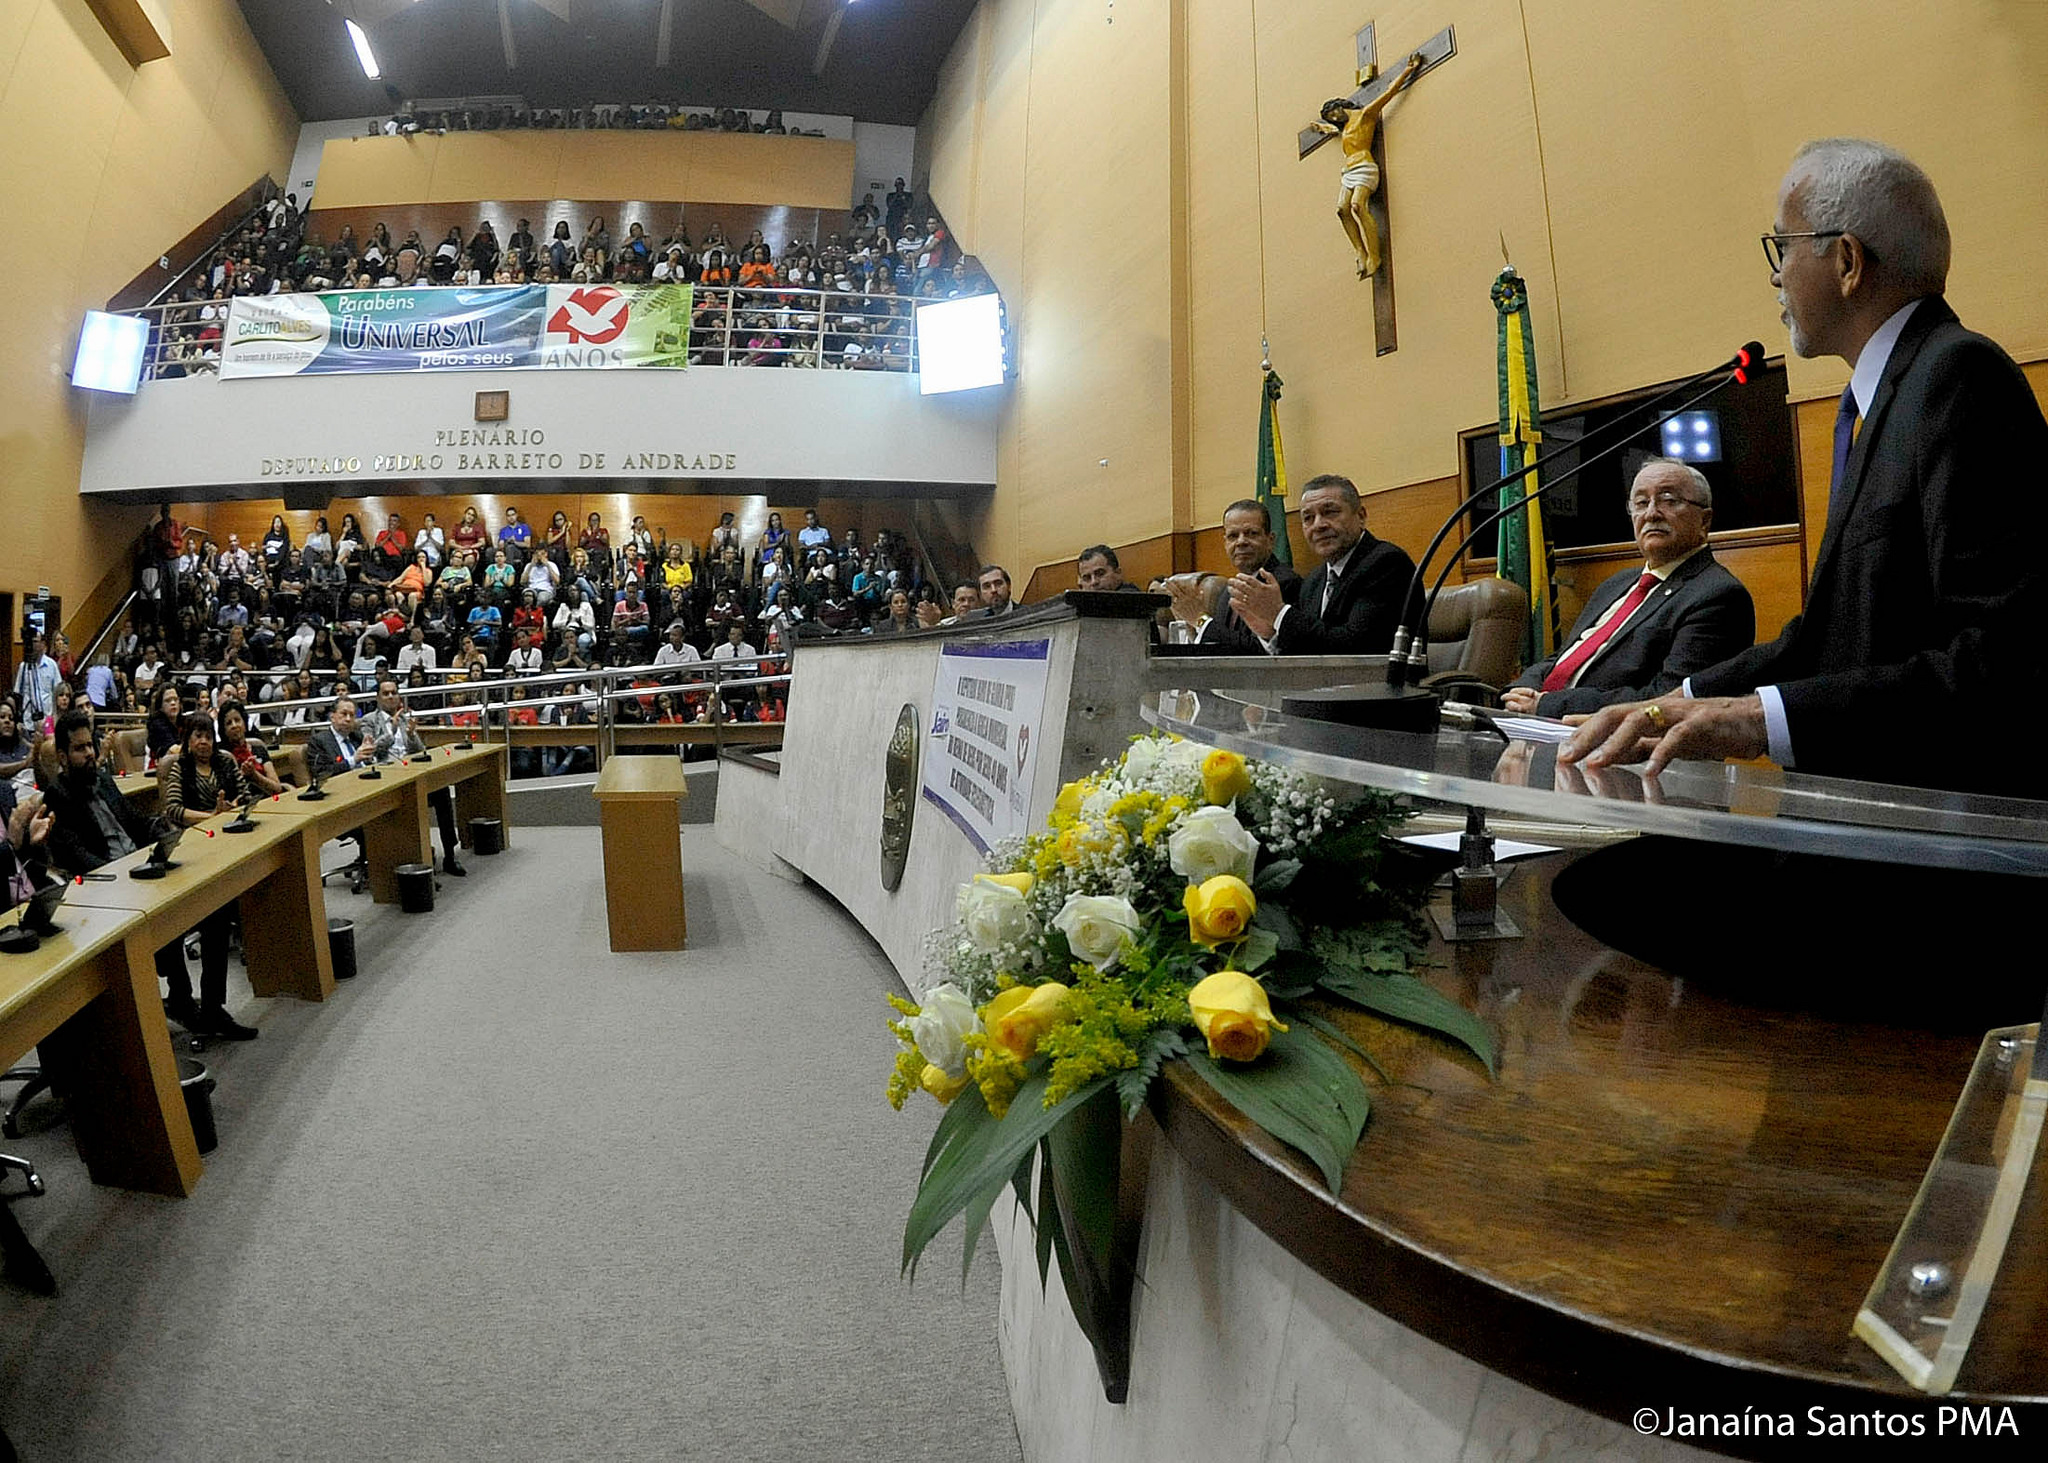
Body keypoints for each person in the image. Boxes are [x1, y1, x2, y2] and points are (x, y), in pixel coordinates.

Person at [1566, 139, 2048, 794]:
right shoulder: (1885, 398)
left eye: (1783, 247)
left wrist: (1758, 721)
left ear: (1847, 261)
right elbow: (1824, 636)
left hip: (1939, 819)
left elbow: (2007, 657)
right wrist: (1674, 702)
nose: (1776, 276)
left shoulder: (1959, 377)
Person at [42, 711, 254, 1038]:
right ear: (62, 756)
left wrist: (163, 833)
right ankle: (181, 998)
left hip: (142, 872)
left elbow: (135, 821)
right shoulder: (57, 795)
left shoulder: (103, 780)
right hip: (109, 891)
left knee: (216, 907)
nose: (89, 754)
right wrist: (123, 872)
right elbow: (76, 856)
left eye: (90, 746)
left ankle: (212, 1008)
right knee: (168, 915)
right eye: (79, 749)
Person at [1502, 461, 1754, 716]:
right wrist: (1521, 690)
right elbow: (1565, 656)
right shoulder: (1617, 584)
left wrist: (1547, 704)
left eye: (1668, 500)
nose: (1651, 514)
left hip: (1604, 733)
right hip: (1537, 719)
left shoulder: (1718, 595)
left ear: (1704, 520)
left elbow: (1670, 698)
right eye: (1641, 503)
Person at [1227, 474, 1416, 654]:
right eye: (1308, 518)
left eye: (1330, 512)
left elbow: (1355, 648)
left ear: (1360, 516)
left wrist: (1279, 613)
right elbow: (1309, 648)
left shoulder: (1387, 563)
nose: (1318, 525)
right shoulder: (1314, 581)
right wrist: (1271, 635)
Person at [1312, 52, 1424, 279]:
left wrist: (1408, 70)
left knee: (1357, 206)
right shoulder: (1343, 128)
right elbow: (1335, 132)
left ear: (1341, 106)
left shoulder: (1365, 115)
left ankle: (1374, 256)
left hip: (1365, 166)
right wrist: (1322, 128)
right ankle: (1360, 252)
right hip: (1348, 171)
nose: (1334, 117)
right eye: (1331, 117)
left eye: (1334, 113)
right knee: (1341, 209)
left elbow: (1389, 93)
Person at [360, 679, 465, 875]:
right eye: (386, 693)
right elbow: (369, 751)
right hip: (385, 779)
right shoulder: (369, 721)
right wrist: (391, 731)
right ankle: (418, 858)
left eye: (394, 693)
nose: (390, 697)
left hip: (411, 774)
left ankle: (450, 855)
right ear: (378, 698)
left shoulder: (404, 718)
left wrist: (410, 734)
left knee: (442, 792)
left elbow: (420, 750)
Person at [1170, 499, 1303, 649]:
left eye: (1251, 533)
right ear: (1225, 543)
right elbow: (1220, 647)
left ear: (1270, 540)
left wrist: (1200, 620)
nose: (1241, 542)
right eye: (1233, 536)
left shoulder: (1284, 583)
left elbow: (1260, 652)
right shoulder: (1228, 591)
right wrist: (1190, 624)